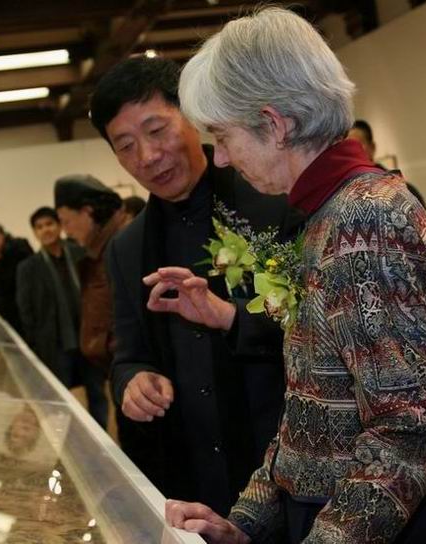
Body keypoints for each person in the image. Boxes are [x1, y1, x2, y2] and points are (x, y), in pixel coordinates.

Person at [162, 7, 426, 543]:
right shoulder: (329, 214)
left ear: (275, 125)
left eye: (223, 136)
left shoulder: (364, 220)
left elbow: (404, 434)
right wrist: (245, 523)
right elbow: (310, 408)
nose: (221, 158)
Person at [90, 56, 299, 517]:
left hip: (284, 463)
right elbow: (127, 353)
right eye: (126, 146)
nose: (147, 157)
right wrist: (133, 381)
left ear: (192, 116)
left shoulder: (270, 203)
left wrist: (230, 317)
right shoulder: (126, 248)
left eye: (156, 130)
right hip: (192, 476)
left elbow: (317, 329)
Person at [15, 207, 110, 424]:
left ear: (59, 226)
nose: (45, 230)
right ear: (34, 233)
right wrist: (37, 344)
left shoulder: (81, 254)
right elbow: (26, 311)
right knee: (59, 402)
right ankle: (67, 442)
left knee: (97, 394)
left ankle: (101, 438)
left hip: (88, 339)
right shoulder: (28, 268)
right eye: (39, 227)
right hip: (55, 346)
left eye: (49, 224)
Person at [54, 175, 126, 429]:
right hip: (119, 371)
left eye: (66, 221)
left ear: (87, 212)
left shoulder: (120, 246)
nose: (65, 231)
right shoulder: (100, 250)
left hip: (133, 375)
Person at [348, 119, 426, 209]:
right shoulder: (346, 196)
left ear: (372, 148)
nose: (351, 152)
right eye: (346, 148)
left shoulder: (403, 191)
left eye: (356, 146)